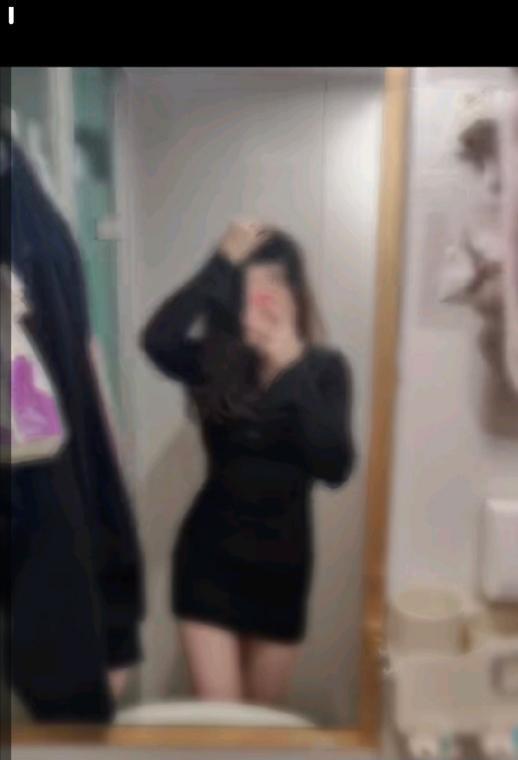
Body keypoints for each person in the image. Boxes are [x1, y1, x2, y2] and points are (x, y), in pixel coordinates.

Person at [141, 219, 356, 705]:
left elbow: (335, 467)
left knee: (262, 730)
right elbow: (157, 340)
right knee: (222, 728)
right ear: (234, 292)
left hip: (281, 573)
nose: (265, 294)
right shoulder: (215, 361)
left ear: (296, 291)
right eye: (251, 280)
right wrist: (220, 261)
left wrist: (290, 368)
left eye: (277, 279)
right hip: (208, 565)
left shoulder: (324, 369)